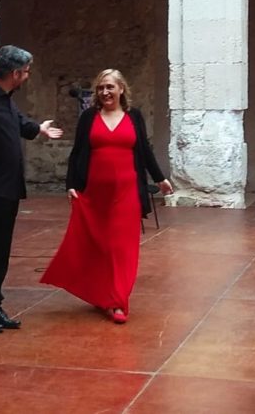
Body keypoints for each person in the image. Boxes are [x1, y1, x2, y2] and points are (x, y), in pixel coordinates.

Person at [41, 69, 173, 324]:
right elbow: (78, 152)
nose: (105, 92)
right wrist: (71, 184)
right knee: (100, 246)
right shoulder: (89, 117)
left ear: (121, 89)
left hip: (126, 193)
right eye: (101, 88)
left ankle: (118, 301)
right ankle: (103, 294)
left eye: (110, 87)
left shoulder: (134, 116)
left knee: (122, 247)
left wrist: (160, 178)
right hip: (95, 193)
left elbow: (144, 151)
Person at [0, 45, 64, 333]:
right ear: (14, 73)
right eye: (26, 72)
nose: (27, 76)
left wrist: (39, 129)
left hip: (5, 188)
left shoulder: (4, 98)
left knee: (0, 251)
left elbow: (18, 122)